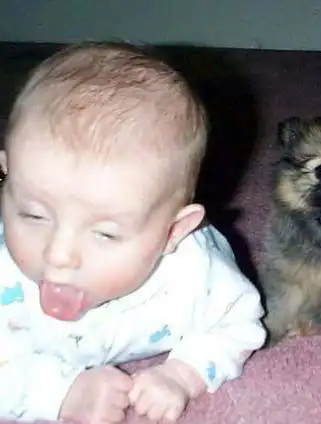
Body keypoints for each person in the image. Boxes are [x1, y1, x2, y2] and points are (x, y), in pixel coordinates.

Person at [0, 42, 266, 424]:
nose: (58, 255)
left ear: (173, 232)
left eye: (105, 234)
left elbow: (238, 324)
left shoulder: (196, 275)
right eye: (33, 215)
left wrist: (183, 374)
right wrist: (59, 394)